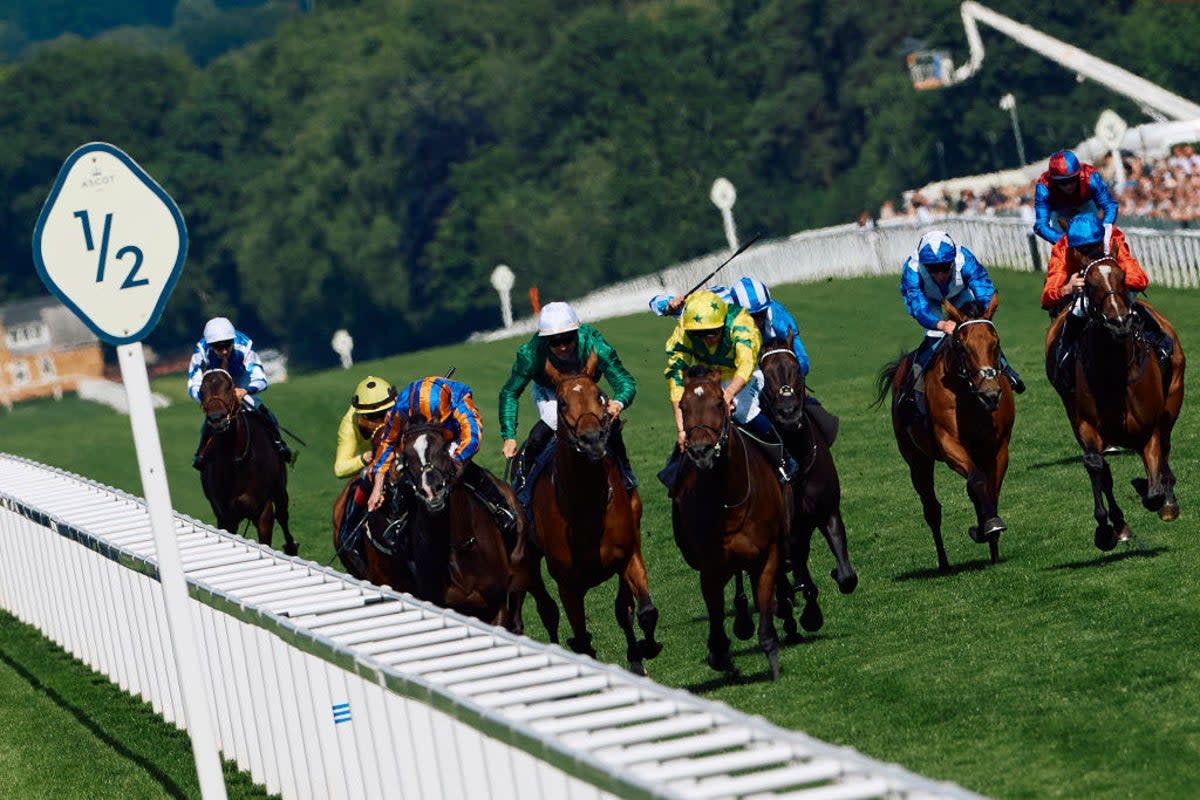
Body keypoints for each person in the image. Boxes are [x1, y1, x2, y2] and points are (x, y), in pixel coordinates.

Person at [500, 301, 638, 509]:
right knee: (548, 427)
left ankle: (626, 478)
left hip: (585, 389)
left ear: (577, 332)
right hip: (549, 390)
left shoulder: (595, 345)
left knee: (611, 427)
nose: (563, 346)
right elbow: (510, 392)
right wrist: (509, 435)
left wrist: (617, 403)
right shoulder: (530, 354)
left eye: (567, 338)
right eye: (554, 342)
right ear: (544, 340)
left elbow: (625, 382)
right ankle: (522, 492)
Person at [661, 289, 792, 484]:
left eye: (713, 332)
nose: (707, 339)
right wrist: (681, 429)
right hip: (709, 378)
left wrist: (729, 394)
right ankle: (675, 477)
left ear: (723, 322)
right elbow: (675, 376)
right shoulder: (684, 329)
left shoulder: (741, 322)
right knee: (695, 418)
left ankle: (784, 459)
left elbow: (746, 364)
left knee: (741, 411)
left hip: (743, 376)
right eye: (699, 334)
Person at [897, 231, 1025, 422]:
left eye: (944, 267)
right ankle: (912, 393)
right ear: (924, 265)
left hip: (960, 296)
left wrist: (982, 315)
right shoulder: (912, 269)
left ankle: (1007, 369)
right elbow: (918, 305)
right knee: (933, 339)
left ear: (952, 261)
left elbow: (983, 287)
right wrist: (939, 323)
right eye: (933, 269)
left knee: (980, 336)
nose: (940, 274)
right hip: (929, 302)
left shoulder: (964, 258)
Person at [365, 376, 516, 535]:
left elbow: (472, 435)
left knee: (455, 467)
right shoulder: (399, 411)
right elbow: (387, 443)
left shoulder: (455, 400)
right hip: (419, 437)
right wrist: (377, 487)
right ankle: (398, 521)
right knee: (410, 471)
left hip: (450, 433)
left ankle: (501, 506)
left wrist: (456, 461)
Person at [1042, 214, 1169, 389]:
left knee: (1135, 310)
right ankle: (1064, 361)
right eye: (1082, 249)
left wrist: (1112, 278)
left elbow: (1140, 279)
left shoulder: (1113, 236)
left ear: (1102, 239)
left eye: (1094, 246)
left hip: (1115, 290)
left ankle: (1162, 348)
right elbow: (1047, 296)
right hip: (1082, 295)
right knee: (1076, 313)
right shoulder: (1063, 246)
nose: (1089, 253)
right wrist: (1065, 289)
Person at [187, 316, 294, 470]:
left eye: (227, 344)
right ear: (210, 345)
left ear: (233, 340)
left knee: (254, 405)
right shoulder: (201, 352)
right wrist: (209, 399)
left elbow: (261, 379)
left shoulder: (244, 346)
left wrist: (245, 390)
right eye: (217, 346)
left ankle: (279, 443)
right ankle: (200, 453)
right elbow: (193, 385)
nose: (224, 351)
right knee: (214, 414)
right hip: (215, 383)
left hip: (241, 376)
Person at [332, 376, 396, 554]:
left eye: (384, 414)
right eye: (371, 417)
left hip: (398, 451)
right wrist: (365, 458)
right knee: (364, 477)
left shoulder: (402, 407)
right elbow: (340, 468)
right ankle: (351, 531)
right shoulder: (349, 424)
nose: (380, 421)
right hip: (373, 460)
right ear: (360, 416)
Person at [1034, 149, 1119, 248]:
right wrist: (1063, 241)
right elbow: (1040, 225)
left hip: (1087, 206)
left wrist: (1104, 228)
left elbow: (1110, 205)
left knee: (1104, 243)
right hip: (1060, 214)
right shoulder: (1044, 186)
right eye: (1063, 183)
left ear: (1079, 175)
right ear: (1053, 181)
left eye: (1073, 180)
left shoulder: (1090, 176)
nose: (1069, 186)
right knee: (1063, 252)